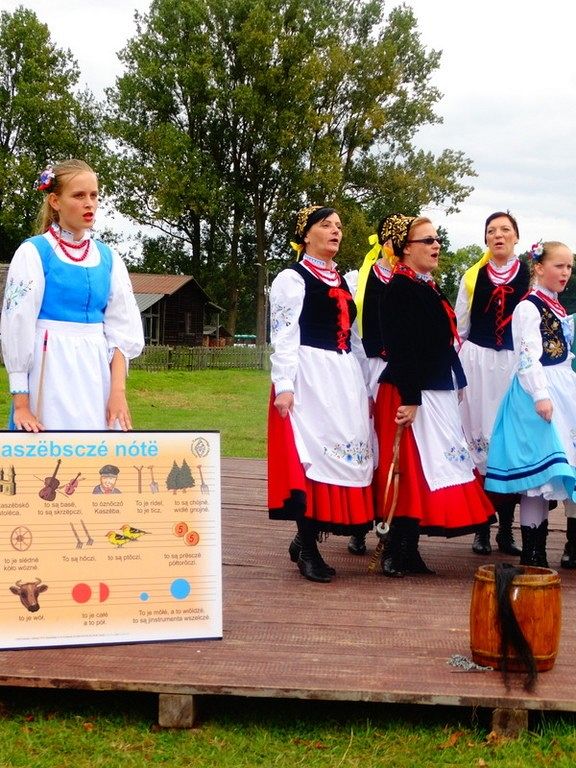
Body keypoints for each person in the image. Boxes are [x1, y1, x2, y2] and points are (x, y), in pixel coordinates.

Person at [373, 215, 495, 578]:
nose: (436, 245)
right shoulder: (399, 288)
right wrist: (411, 397)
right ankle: (394, 551)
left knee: (429, 469)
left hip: (433, 388)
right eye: (427, 240)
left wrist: (454, 382)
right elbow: (400, 346)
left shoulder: (425, 286)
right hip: (409, 392)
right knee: (408, 470)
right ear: (405, 248)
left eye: (437, 238)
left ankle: (409, 550)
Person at [267, 205, 374, 583]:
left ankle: (303, 539)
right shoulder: (291, 279)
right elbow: (283, 334)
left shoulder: (344, 280)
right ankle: (309, 549)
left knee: (341, 456)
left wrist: (366, 384)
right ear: (306, 234)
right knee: (311, 458)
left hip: (343, 376)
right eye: (326, 225)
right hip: (309, 375)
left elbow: (354, 337)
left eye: (338, 226)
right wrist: (285, 385)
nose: (335, 231)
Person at [1, 159, 144, 432]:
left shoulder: (109, 258)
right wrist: (21, 405)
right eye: (79, 196)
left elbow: (121, 330)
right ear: (55, 201)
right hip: (49, 369)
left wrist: (117, 393)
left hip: (95, 375)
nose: (89, 203)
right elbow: (17, 327)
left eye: (94, 195)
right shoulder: (34, 252)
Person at [485, 240, 576, 568]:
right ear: (538, 267)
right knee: (538, 479)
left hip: (563, 387)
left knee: (567, 468)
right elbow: (527, 356)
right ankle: (533, 552)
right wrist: (540, 395)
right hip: (539, 391)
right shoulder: (529, 306)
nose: (565, 273)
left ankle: (568, 546)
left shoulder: (557, 307)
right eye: (558, 266)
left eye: (569, 267)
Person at [455, 211, 530, 557]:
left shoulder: (530, 275)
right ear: (485, 238)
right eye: (491, 231)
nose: (498, 235)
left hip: (515, 366)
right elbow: (461, 328)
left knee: (511, 444)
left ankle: (506, 528)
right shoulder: (472, 276)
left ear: (516, 236)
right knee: (479, 441)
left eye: (504, 230)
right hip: (479, 365)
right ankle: (482, 527)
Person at [344, 216, 395, 555]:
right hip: (365, 367)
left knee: (392, 447)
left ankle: (389, 527)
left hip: (398, 372)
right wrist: (359, 380)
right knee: (365, 443)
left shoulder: (412, 280)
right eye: (391, 240)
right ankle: (358, 524)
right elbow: (348, 332)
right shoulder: (356, 279)